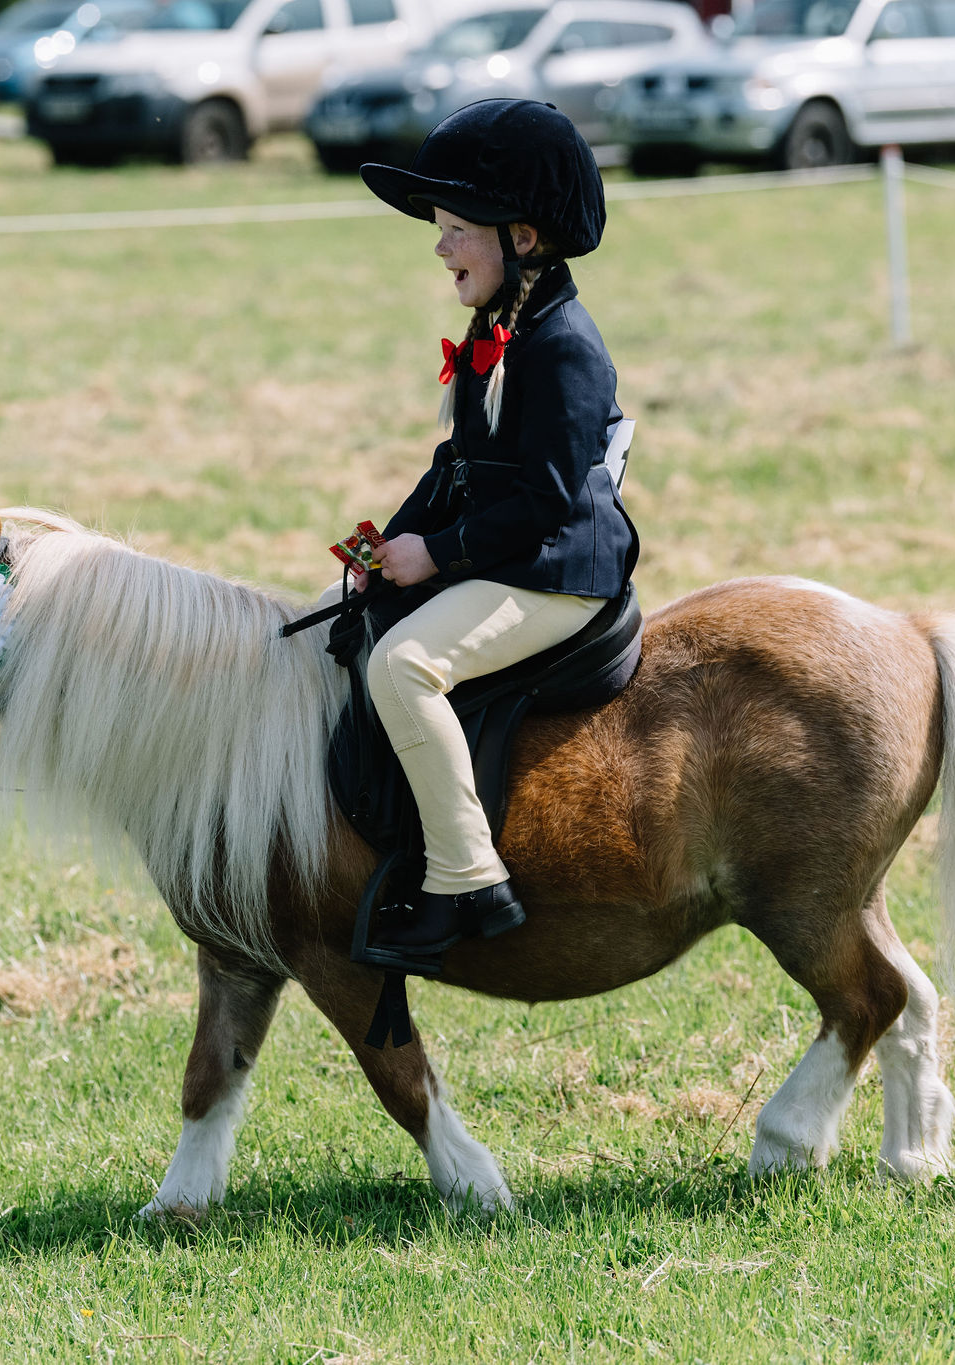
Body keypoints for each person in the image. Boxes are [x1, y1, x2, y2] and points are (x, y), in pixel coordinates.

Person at [352, 99, 638, 975]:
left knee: (403, 666)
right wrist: (388, 544)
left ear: (520, 236)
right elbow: (458, 462)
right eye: (438, 228)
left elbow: (549, 499)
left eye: (455, 229)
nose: (439, 247)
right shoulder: (500, 327)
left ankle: (468, 875)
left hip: (560, 574)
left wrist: (435, 555)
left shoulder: (564, 347)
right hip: (514, 554)